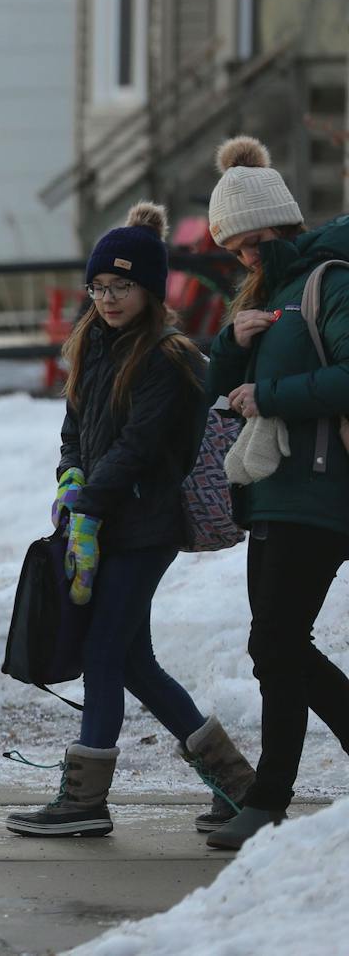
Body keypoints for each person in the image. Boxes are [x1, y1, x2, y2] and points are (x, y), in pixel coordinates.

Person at [6, 202, 256, 839]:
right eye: (100, 287)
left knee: (103, 654)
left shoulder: (167, 359)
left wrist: (87, 504)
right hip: (101, 523)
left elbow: (139, 448)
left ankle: (86, 800)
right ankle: (239, 786)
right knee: (134, 660)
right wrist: (69, 480)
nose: (109, 299)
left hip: (146, 528)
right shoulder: (90, 344)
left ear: (151, 291)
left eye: (123, 287)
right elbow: (75, 433)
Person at [203, 135, 349, 850]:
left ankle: (268, 798)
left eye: (247, 246)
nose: (241, 261)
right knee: (275, 646)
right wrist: (234, 341)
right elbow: (214, 391)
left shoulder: (329, 279)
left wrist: (270, 394)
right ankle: (269, 797)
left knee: (277, 641)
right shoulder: (270, 293)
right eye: (233, 252)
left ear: (274, 230)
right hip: (274, 493)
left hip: (322, 491)